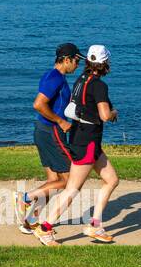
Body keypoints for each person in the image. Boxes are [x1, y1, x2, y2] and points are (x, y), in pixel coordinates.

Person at [33, 45, 120, 245]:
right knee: (72, 189)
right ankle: (45, 228)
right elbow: (105, 115)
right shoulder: (99, 85)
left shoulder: (81, 80)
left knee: (112, 180)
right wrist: (114, 113)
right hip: (87, 142)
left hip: (86, 139)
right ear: (105, 63)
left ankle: (95, 225)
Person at [14, 43, 83, 232]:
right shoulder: (55, 78)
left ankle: (29, 221)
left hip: (42, 130)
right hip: (51, 131)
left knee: (54, 180)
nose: (77, 65)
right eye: (76, 61)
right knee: (70, 180)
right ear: (66, 60)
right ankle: (25, 198)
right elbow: (39, 104)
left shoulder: (53, 76)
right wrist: (61, 122)